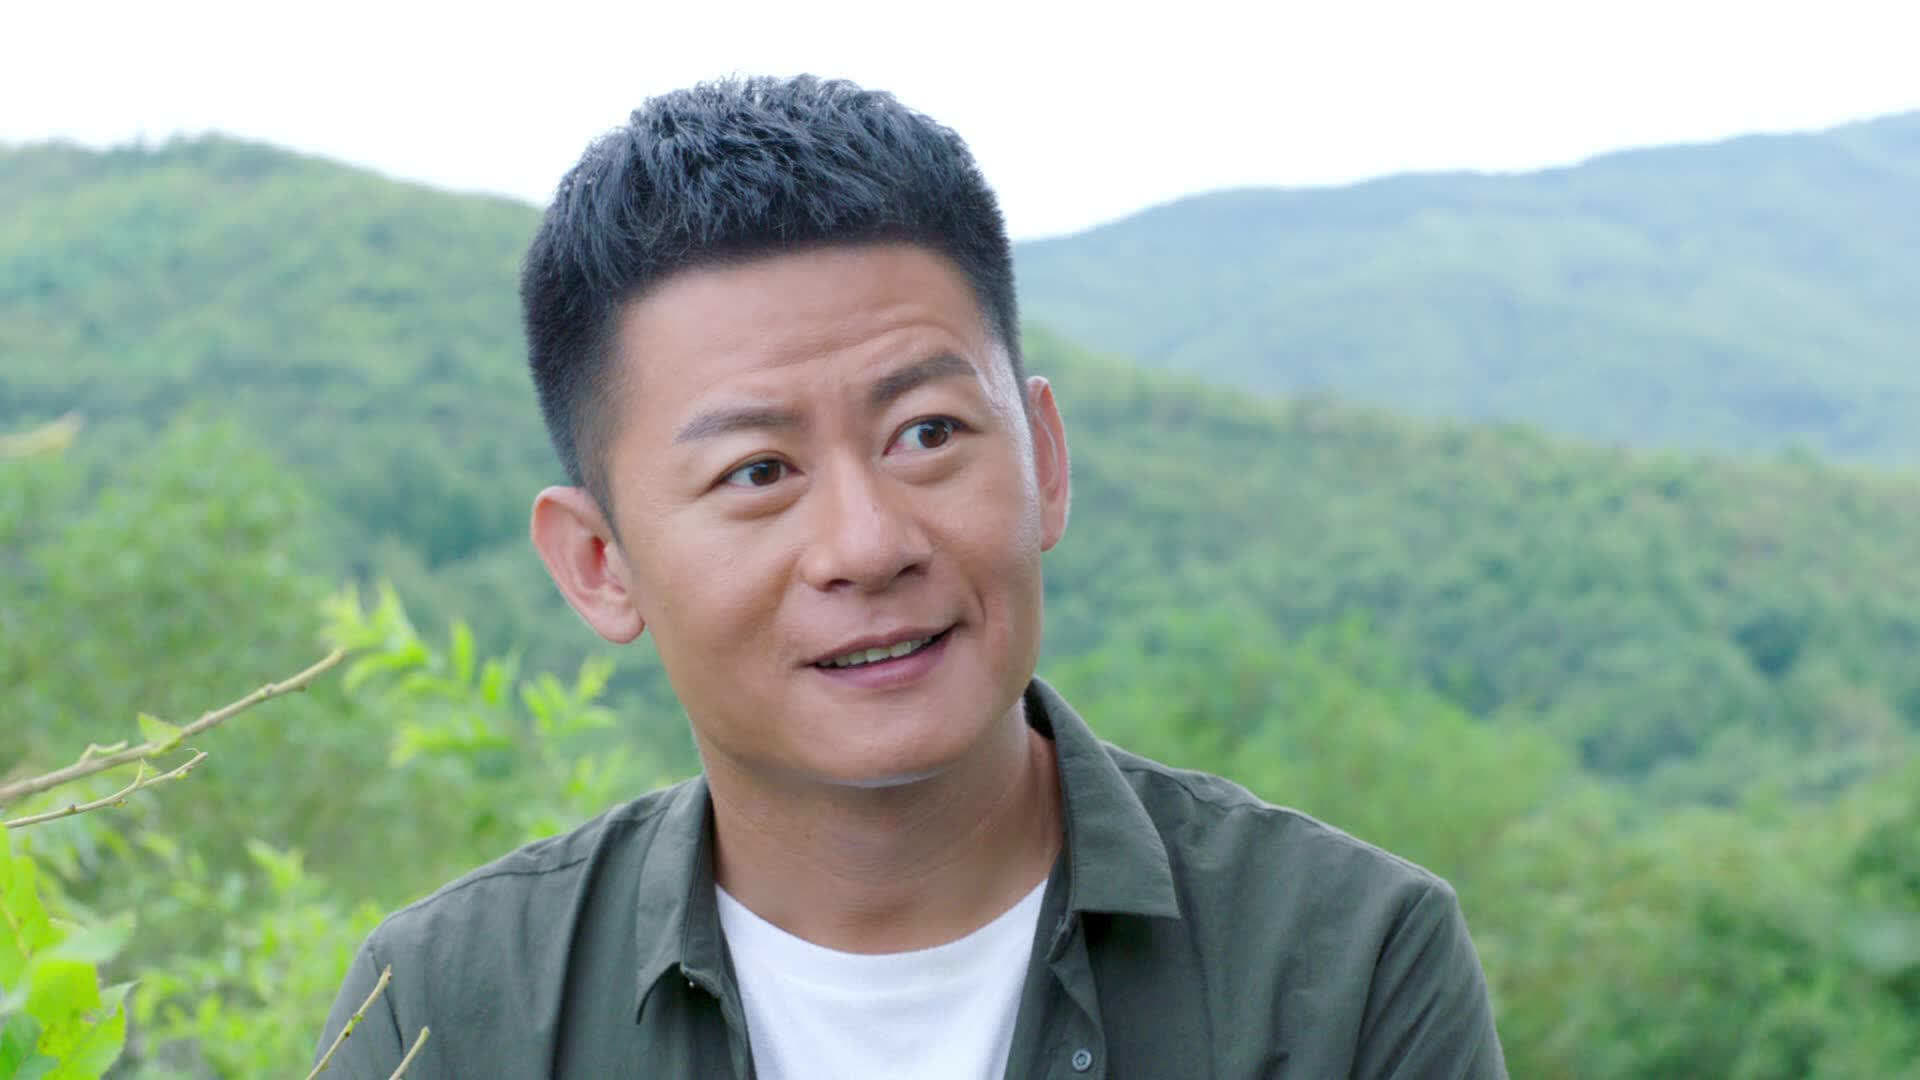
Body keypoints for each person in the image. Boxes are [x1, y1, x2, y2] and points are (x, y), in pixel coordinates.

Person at [315, 75, 1507, 1079]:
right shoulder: (446, 1015)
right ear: (599, 564)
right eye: (757, 471)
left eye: (927, 433)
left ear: (1044, 460)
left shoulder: (1343, 969)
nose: (867, 544)